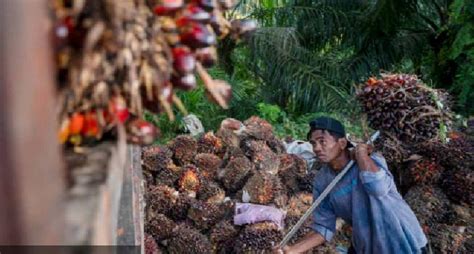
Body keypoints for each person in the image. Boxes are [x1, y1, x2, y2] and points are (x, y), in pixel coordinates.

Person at [275, 117, 428, 254]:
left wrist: (361, 155)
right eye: (313, 143)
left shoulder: (371, 159)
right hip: (367, 245)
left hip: (402, 240)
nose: (316, 148)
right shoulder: (322, 181)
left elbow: (377, 188)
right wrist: (293, 250)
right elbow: (323, 227)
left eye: (322, 141)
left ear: (342, 143)